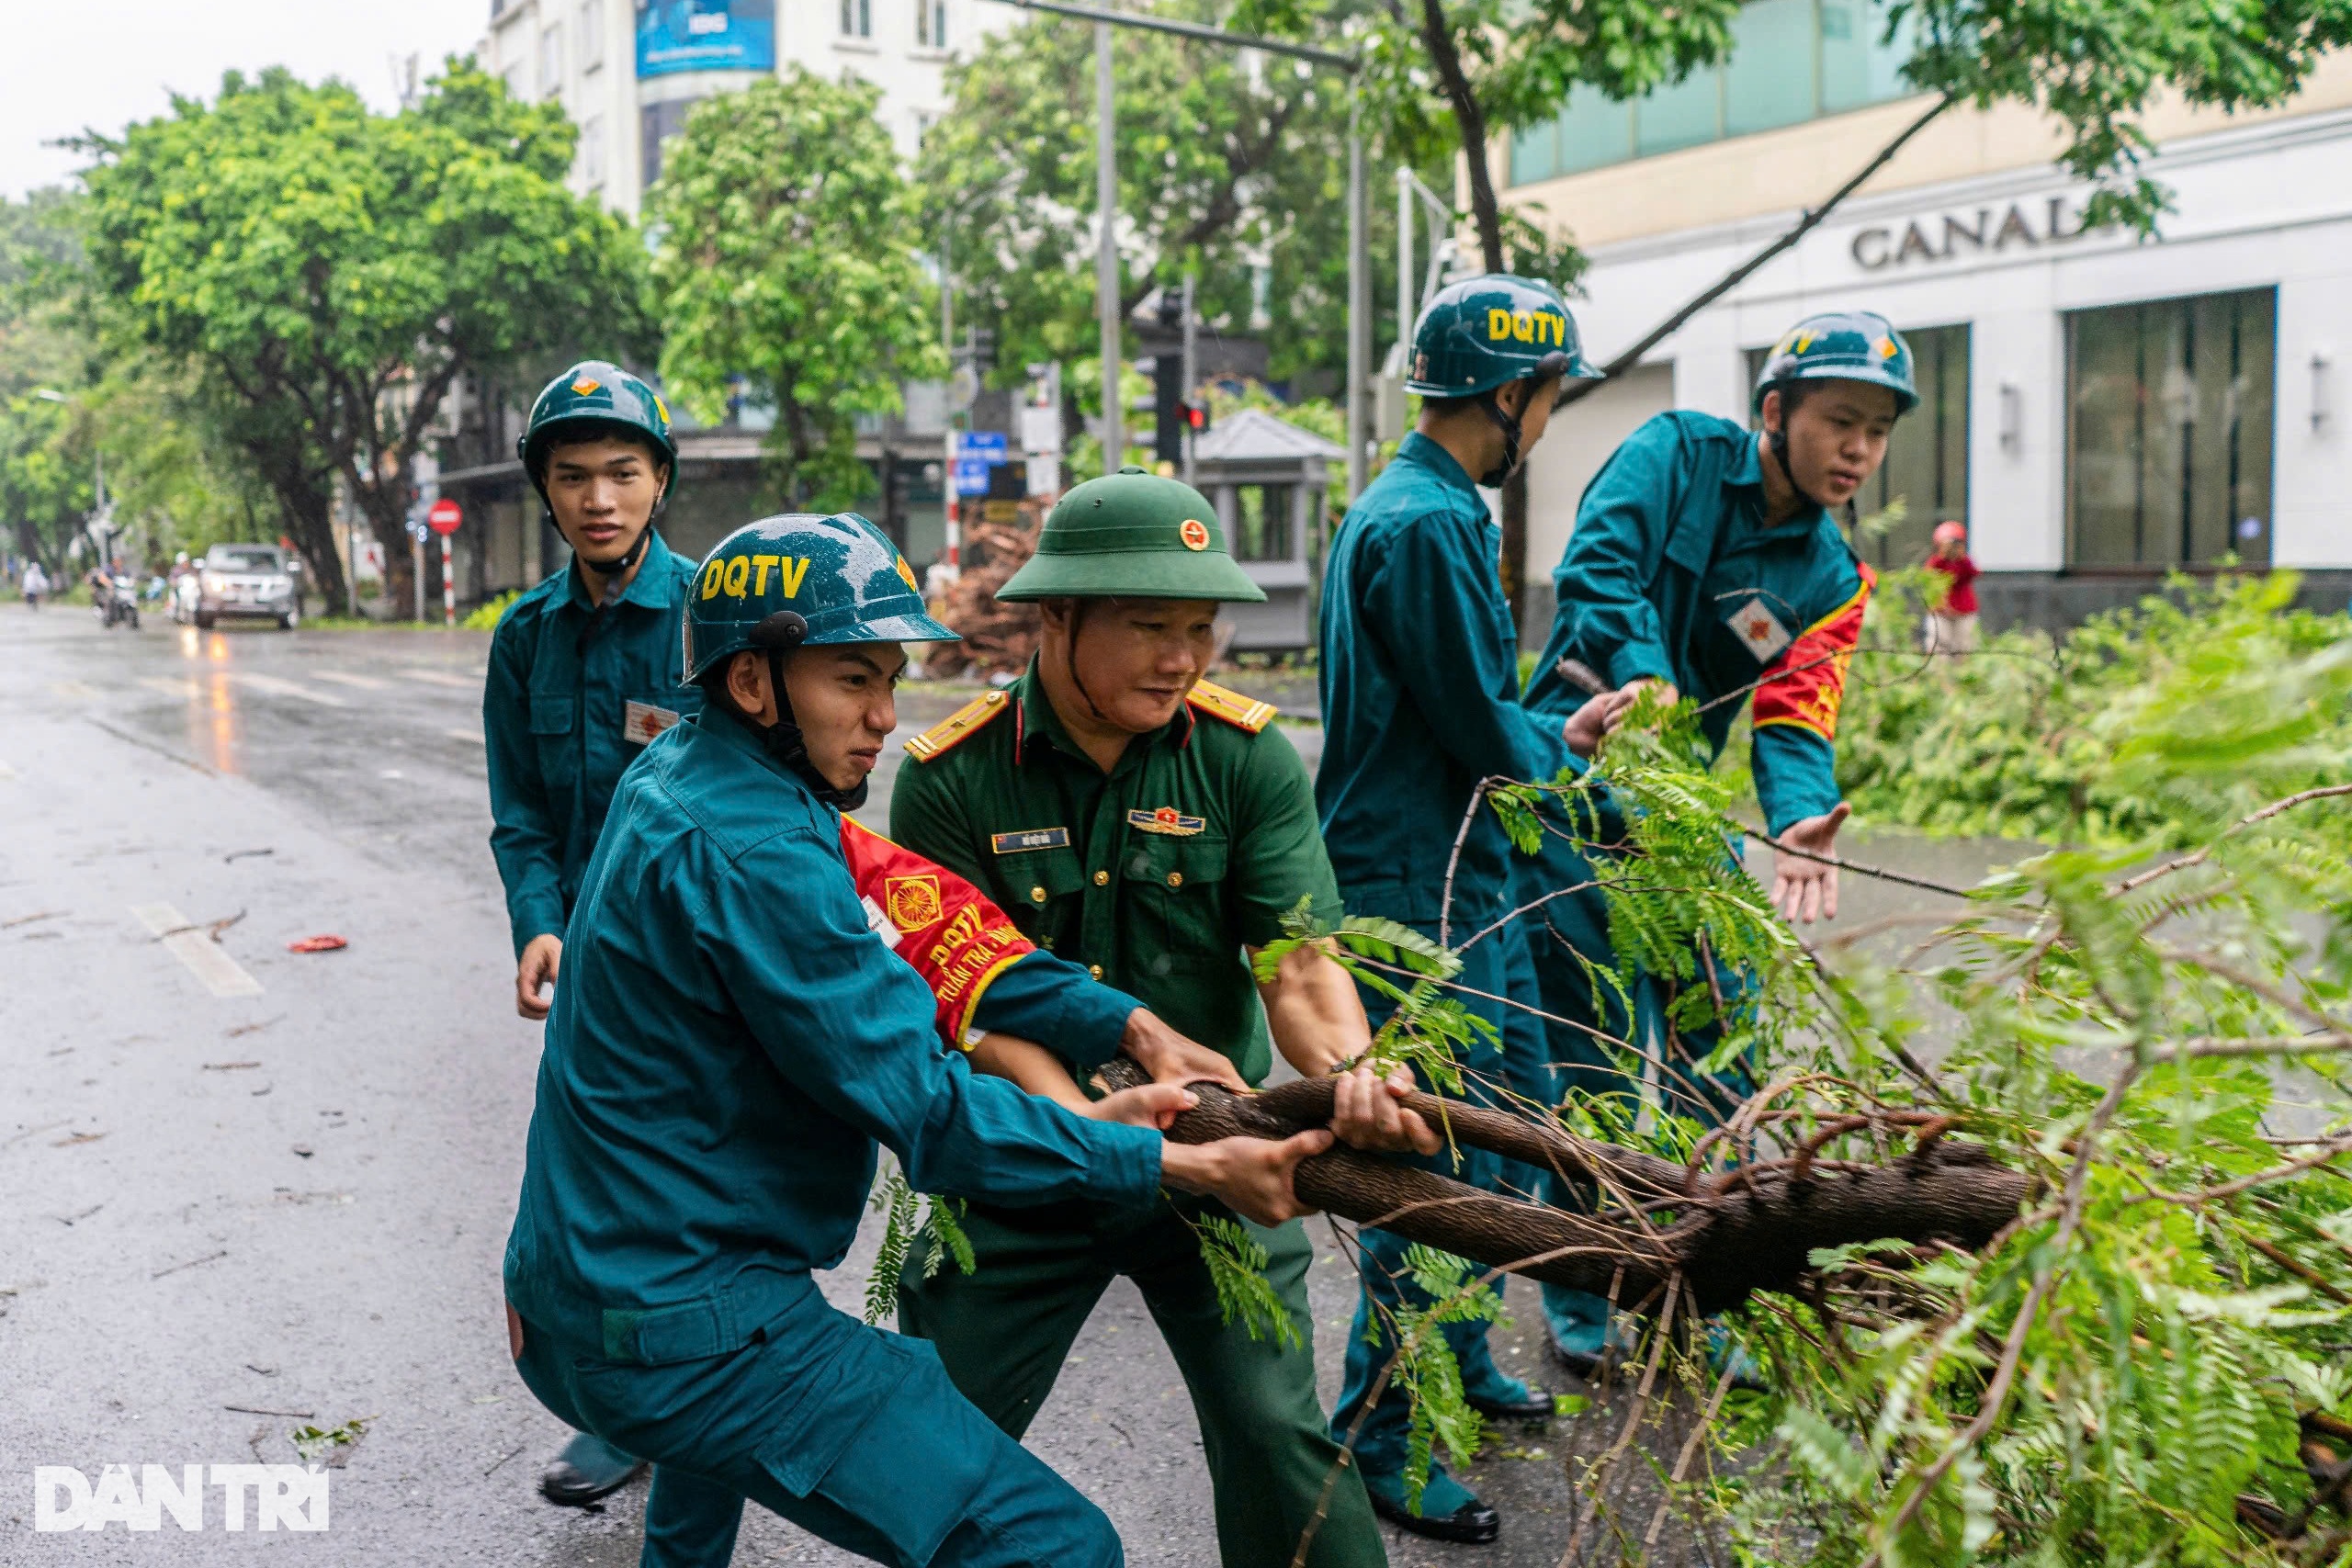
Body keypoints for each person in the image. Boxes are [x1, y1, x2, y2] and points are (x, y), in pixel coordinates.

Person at [503, 512, 1334, 1568]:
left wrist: (1124, 1022)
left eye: (890, 680)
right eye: (852, 681)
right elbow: (933, 1115)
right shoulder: (758, 850)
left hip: (573, 1292)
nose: (885, 719)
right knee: (1054, 1545)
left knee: (701, 1479)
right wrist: (1175, 1159)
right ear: (754, 683)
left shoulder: (687, 773)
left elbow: (928, 915)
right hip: (689, 1332)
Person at [889, 468, 1439, 1568]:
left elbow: (1297, 963)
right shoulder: (947, 779)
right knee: (931, 1449)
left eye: (1199, 628)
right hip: (1025, 1161)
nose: (1183, 657)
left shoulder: (1243, 756)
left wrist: (1352, 1074)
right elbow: (976, 1011)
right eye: (1149, 626)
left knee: (1278, 1436)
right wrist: (1091, 1136)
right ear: (1055, 616)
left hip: (1219, 1149)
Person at [1516, 310, 1913, 1368]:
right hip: (1575, 783)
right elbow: (1598, 572)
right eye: (1840, 420)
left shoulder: (1832, 577)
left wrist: (1797, 818)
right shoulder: (1672, 454)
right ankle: (1587, 1278)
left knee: (1721, 1044)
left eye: (1877, 430)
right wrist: (1646, 678)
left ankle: (1704, 1278)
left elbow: (1795, 712)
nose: (1857, 450)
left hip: (1682, 813)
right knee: (1591, 1047)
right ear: (1775, 411)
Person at [1317, 274, 1621, 1544]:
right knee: (1436, 1166)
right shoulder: (1430, 523)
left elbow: (1475, 718)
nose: (1547, 424)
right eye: (1548, 401)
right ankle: (1381, 1431)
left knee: (1506, 1136)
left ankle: (1467, 1358)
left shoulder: (1409, 507)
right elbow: (1476, 730)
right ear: (1509, 394)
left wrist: (1554, 727)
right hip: (1420, 882)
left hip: (1457, 873)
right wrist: (1576, 756)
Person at [480, 360, 702, 1508]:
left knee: (697, 1195)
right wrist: (538, 924)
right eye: (574, 477)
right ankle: (627, 1410)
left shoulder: (719, 619)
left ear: (659, 481)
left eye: (623, 471)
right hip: (585, 975)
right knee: (593, 1204)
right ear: (548, 494)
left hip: (702, 969)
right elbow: (521, 818)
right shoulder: (525, 639)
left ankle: (708, 1405)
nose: (599, 497)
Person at [1924, 519, 1979, 655]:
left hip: (1963, 612)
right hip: (1940, 612)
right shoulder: (1936, 562)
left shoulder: (1964, 563)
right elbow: (1928, 576)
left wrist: (1962, 558)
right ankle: (1939, 674)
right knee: (1938, 645)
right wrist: (1942, 557)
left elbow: (1973, 573)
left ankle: (1963, 673)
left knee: (1964, 645)